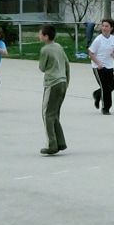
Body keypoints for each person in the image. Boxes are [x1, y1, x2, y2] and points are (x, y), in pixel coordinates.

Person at [38, 24, 69, 155]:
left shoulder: (45, 50)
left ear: (46, 37)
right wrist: (67, 80)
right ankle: (60, 142)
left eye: (40, 34)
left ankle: (52, 144)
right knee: (54, 113)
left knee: (47, 114)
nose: (38, 35)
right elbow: (67, 63)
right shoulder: (59, 47)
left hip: (52, 83)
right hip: (62, 81)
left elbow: (42, 68)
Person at [88, 18, 114, 115]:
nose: (104, 28)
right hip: (99, 67)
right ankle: (106, 108)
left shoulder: (113, 39)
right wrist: (98, 63)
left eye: (106, 26)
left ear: (111, 28)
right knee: (105, 88)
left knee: (111, 86)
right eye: (103, 26)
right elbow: (91, 53)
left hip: (109, 66)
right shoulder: (98, 40)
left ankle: (97, 94)